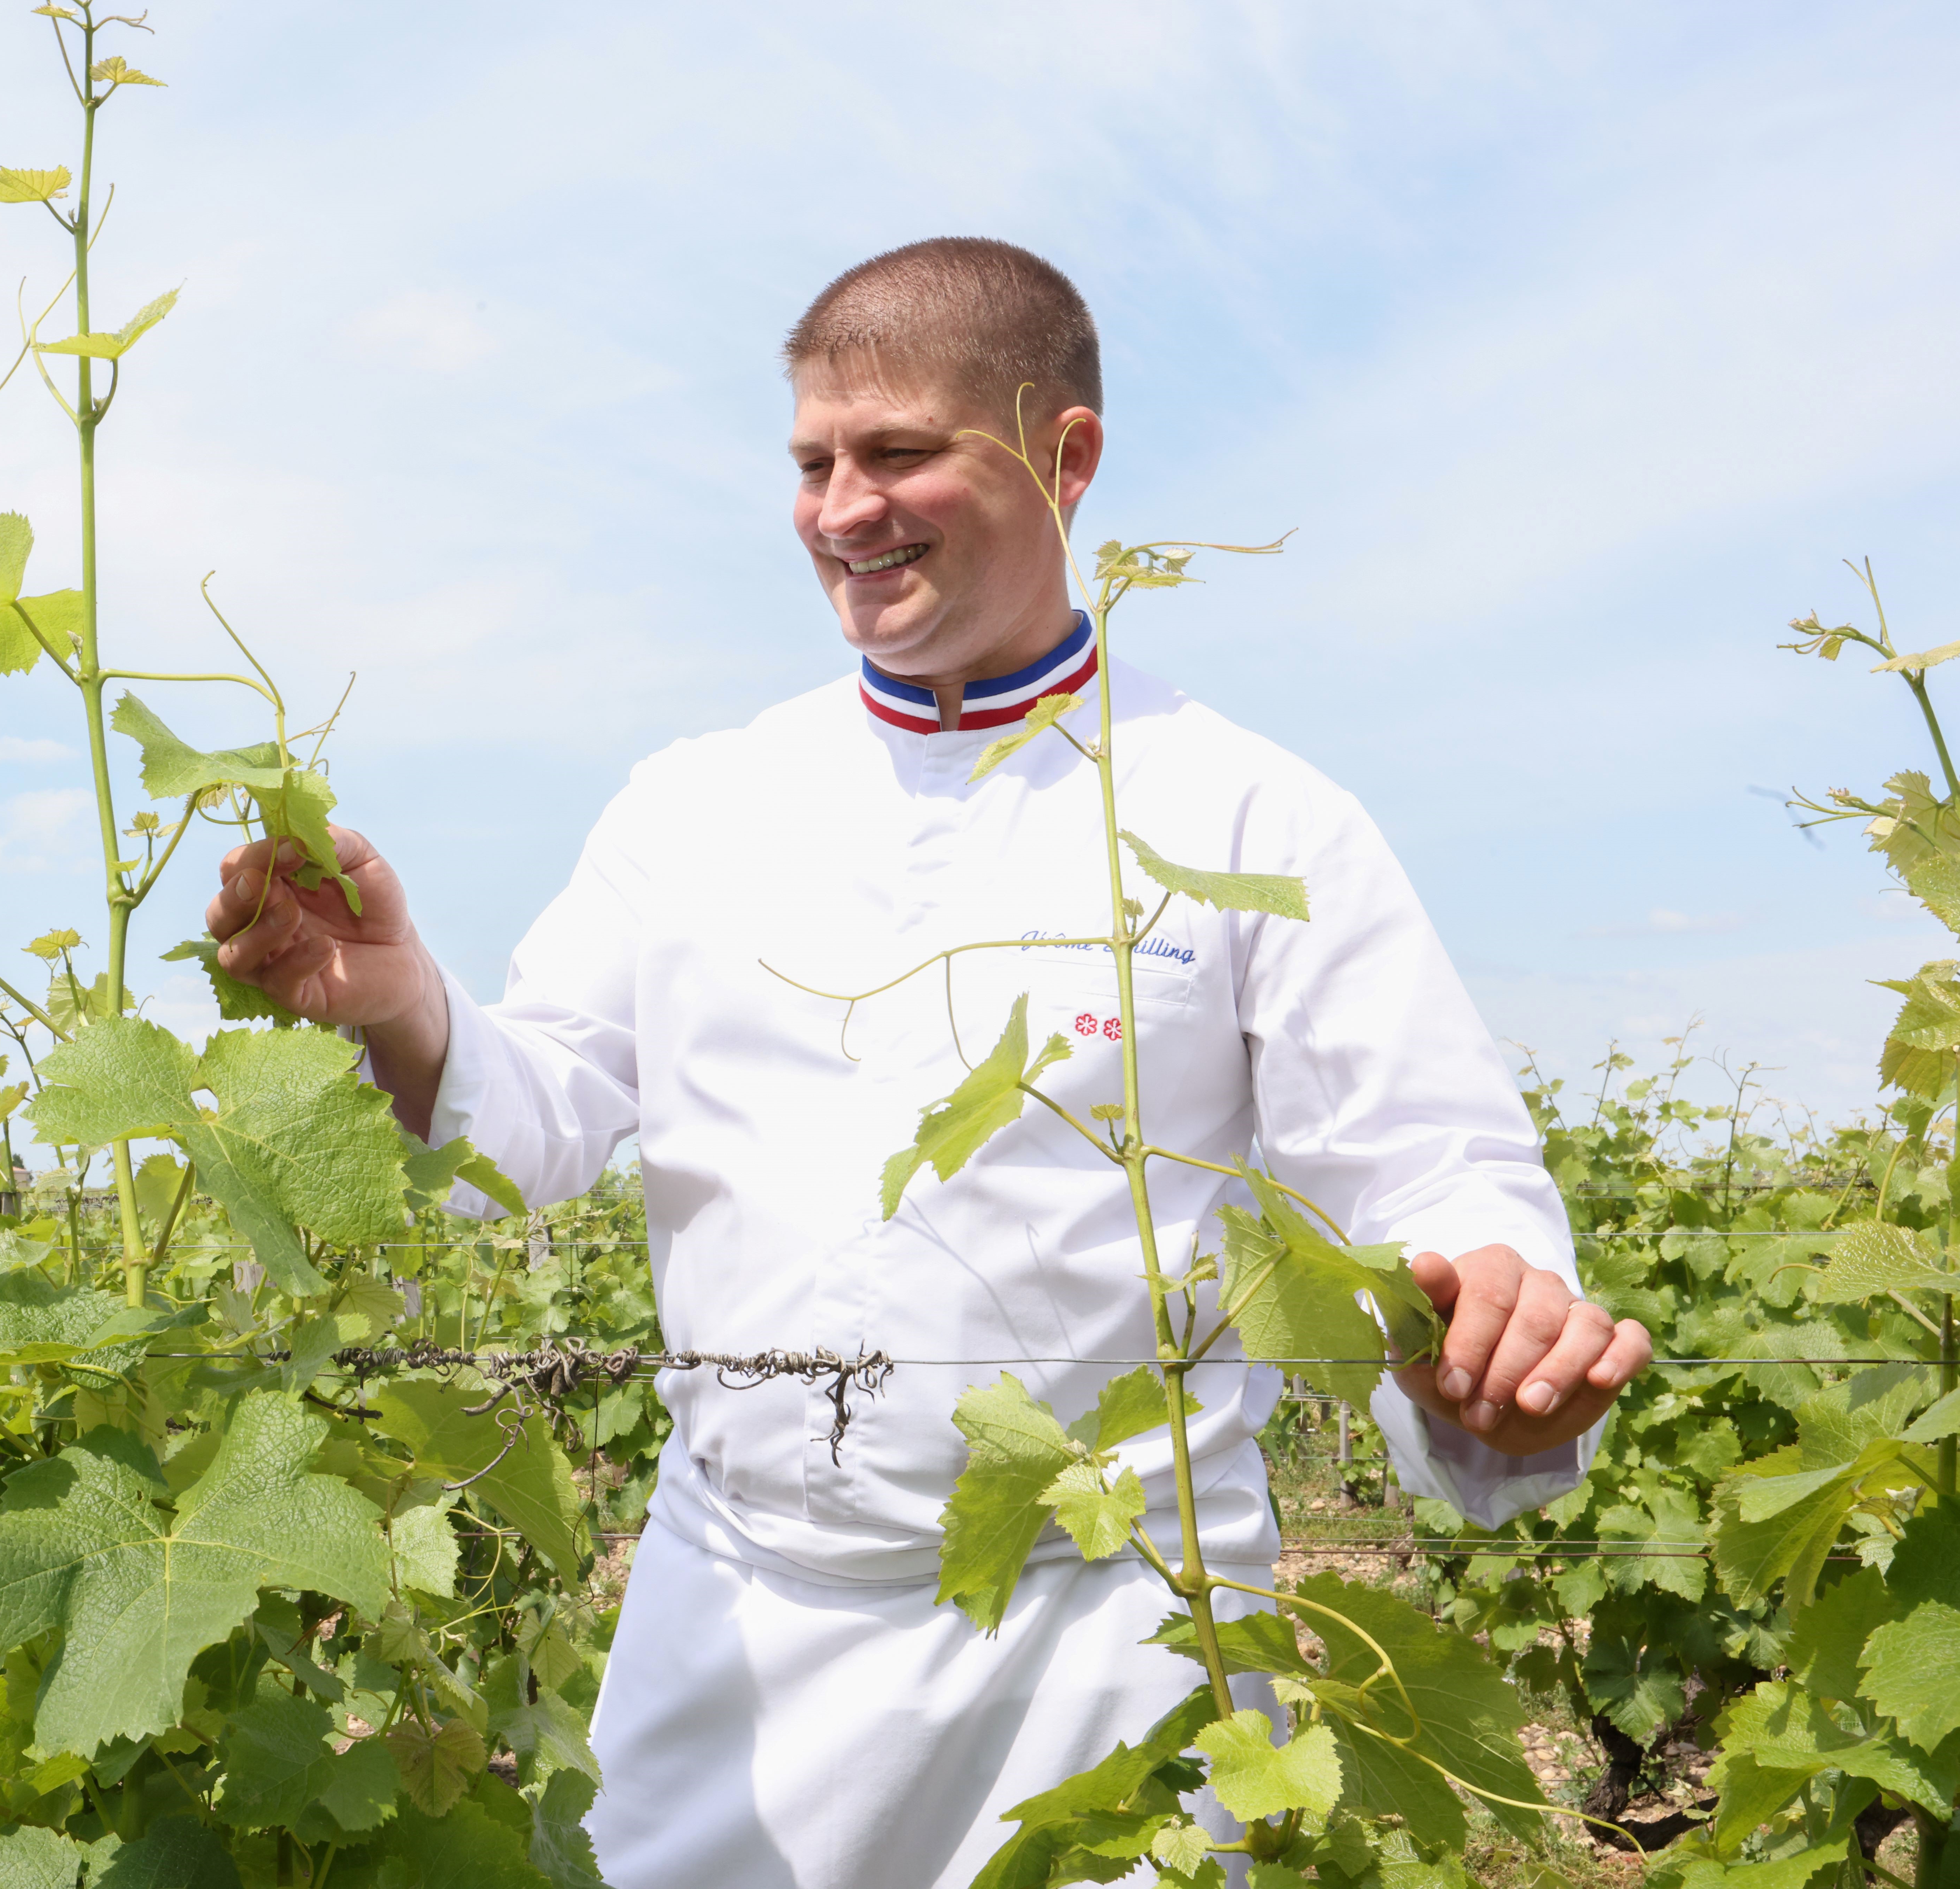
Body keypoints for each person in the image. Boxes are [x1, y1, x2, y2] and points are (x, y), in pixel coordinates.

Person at [201, 238, 1652, 1889]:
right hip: (734, 1634)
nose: (840, 510)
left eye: (896, 454)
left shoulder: (1250, 816)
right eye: (813, 463)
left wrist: (1507, 1333)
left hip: (1118, 1651)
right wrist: (403, 1002)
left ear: (1066, 456)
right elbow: (536, 1114)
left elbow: (1433, 1172)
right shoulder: (693, 806)